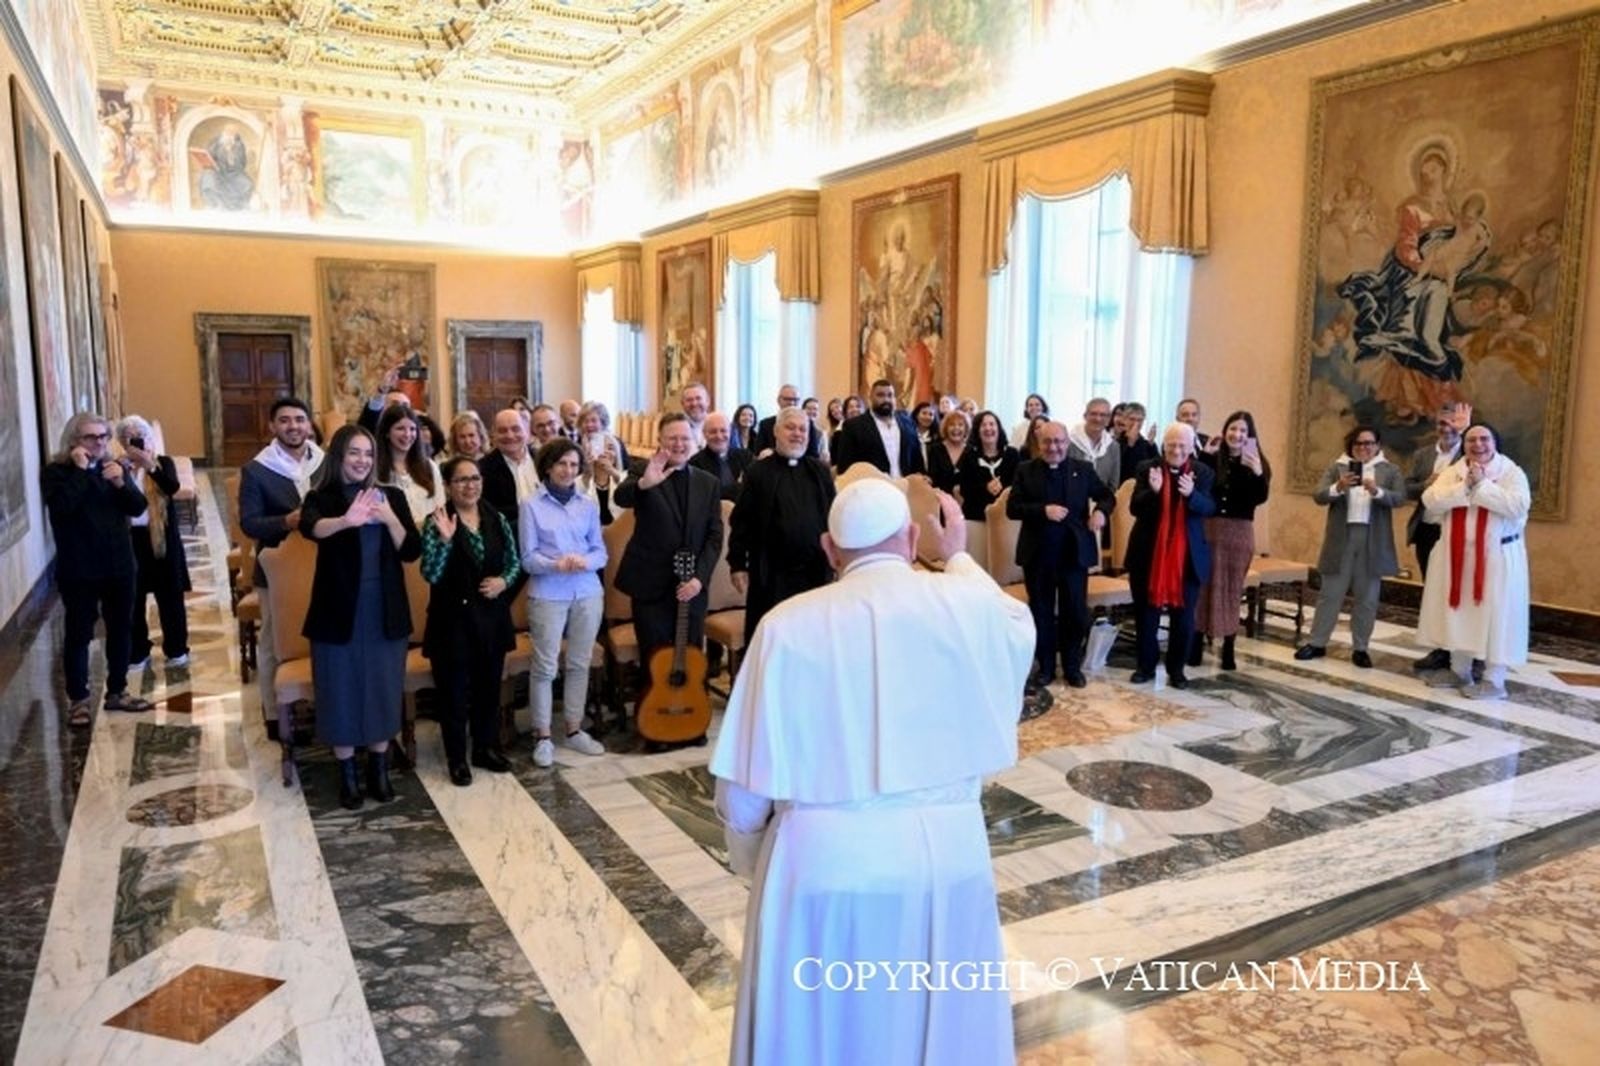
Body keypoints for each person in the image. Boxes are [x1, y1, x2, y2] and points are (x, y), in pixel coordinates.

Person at [710, 480, 1033, 1066]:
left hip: (824, 868)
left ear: (830, 549)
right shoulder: (966, 603)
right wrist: (958, 552)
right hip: (949, 860)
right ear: (911, 539)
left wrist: (756, 862)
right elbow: (1015, 622)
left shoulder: (785, 625)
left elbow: (743, 798)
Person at [299, 425, 422, 809]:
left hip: (384, 610)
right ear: (338, 456)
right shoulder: (322, 496)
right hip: (338, 612)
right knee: (340, 690)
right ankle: (348, 774)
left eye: (368, 454)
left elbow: (411, 551)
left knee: (382, 688)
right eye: (354, 453)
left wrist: (388, 519)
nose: (362, 460)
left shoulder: (393, 496)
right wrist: (346, 522)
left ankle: (379, 770)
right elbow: (310, 528)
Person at [613, 413, 723, 739]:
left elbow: (714, 536)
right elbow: (622, 497)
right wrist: (647, 483)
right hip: (650, 583)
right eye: (672, 438)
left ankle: (691, 721)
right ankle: (657, 723)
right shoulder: (642, 470)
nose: (678, 444)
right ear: (660, 441)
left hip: (692, 585)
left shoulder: (708, 482)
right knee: (655, 655)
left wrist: (699, 579)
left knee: (691, 654)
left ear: (694, 442)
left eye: (684, 439)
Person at [43, 412, 155, 725]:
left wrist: (120, 482)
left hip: (119, 564)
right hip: (79, 568)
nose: (99, 443)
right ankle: (78, 699)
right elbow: (63, 508)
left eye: (104, 437)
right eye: (91, 437)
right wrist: (81, 472)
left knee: (121, 628)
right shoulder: (57, 472)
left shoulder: (114, 467)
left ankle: (117, 691)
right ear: (74, 441)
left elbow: (137, 507)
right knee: (79, 633)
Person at [422, 456, 519, 785]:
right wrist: (447, 543)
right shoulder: (435, 520)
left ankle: (485, 748)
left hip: (491, 619)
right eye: (461, 480)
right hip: (452, 622)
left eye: (475, 478)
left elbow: (514, 562)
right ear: (448, 486)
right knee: (453, 694)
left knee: (488, 689)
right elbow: (431, 574)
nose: (470, 485)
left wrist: (504, 581)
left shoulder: (497, 518)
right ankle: (456, 758)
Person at [1416, 423, 1529, 699]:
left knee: (1496, 617)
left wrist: (1480, 486)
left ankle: (1494, 680)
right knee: (1458, 612)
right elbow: (1431, 501)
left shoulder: (1511, 473)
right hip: (1456, 557)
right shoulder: (1453, 472)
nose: (1478, 445)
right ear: (1464, 445)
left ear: (1495, 442)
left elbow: (1516, 506)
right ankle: (1459, 670)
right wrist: (1464, 486)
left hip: (1497, 559)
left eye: (1484, 439)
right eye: (1471, 440)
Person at [519, 439, 610, 768]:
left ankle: (573, 730)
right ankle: (542, 735)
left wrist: (584, 561)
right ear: (548, 467)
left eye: (574, 465)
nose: (568, 471)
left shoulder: (587, 505)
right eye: (562, 464)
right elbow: (527, 558)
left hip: (586, 590)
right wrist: (555, 564)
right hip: (548, 593)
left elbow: (601, 552)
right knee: (544, 667)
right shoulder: (530, 505)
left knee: (579, 663)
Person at [239, 397, 325, 732]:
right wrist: (286, 521)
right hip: (277, 569)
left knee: (320, 635)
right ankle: (275, 713)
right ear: (273, 427)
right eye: (285, 420)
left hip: (322, 563)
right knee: (276, 640)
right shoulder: (258, 469)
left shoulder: (324, 461)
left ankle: (318, 699)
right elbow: (250, 523)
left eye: (300, 420)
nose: (294, 427)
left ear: (308, 425)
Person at [1009, 421, 1114, 689]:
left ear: (1067, 443)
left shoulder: (1083, 470)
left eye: (1058, 442)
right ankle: (1045, 668)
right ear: (1039, 443)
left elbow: (1106, 495)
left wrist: (1101, 511)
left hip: (1073, 554)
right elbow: (1013, 508)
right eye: (1047, 442)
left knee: (1075, 613)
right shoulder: (1025, 470)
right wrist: (1043, 510)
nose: (1053, 447)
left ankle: (1071, 667)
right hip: (1038, 554)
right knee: (1041, 612)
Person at [1296, 425, 1407, 667]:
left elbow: (1400, 498)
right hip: (1341, 538)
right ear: (1351, 446)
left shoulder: (1390, 470)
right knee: (1330, 594)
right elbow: (1319, 495)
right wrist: (1339, 486)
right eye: (1358, 443)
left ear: (1377, 445)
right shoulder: (1338, 467)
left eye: (1369, 443)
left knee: (1367, 598)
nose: (1363, 448)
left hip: (1372, 539)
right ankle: (1317, 642)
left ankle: (1360, 648)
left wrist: (1377, 491)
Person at [728, 408, 836, 645]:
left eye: (803, 429)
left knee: (812, 640)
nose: (797, 434)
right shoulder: (758, 472)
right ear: (776, 431)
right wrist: (737, 563)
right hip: (771, 576)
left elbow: (833, 517)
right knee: (773, 642)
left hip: (814, 573)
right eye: (790, 427)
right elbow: (741, 521)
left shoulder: (819, 472)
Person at [1126, 423, 1217, 688]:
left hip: (1187, 558)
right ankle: (1145, 667)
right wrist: (1154, 493)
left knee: (1184, 619)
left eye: (1181, 446)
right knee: (1147, 615)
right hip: (1149, 554)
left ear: (1191, 448)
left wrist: (1192, 495)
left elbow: (1209, 507)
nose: (1176, 450)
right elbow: (1135, 508)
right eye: (1171, 445)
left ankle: (1177, 670)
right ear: (1164, 445)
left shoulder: (1203, 473)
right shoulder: (1147, 468)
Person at [1192, 411, 1270, 671]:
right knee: (1203, 587)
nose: (1237, 435)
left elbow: (1259, 499)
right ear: (1225, 432)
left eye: (1243, 432)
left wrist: (1258, 472)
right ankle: (1196, 643)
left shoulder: (1257, 462)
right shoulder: (1214, 460)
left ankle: (1228, 647)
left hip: (1239, 534)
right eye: (1232, 429)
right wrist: (1204, 455)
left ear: (1250, 436)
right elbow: (1197, 486)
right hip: (1209, 530)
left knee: (1230, 590)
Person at [115, 416, 190, 672]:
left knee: (170, 598)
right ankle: (138, 650)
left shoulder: (162, 463)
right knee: (133, 599)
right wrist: (121, 472)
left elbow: (171, 487)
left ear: (149, 439)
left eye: (141, 434)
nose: (135, 439)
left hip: (161, 541)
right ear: (122, 442)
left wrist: (149, 467)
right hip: (130, 541)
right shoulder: (117, 467)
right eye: (129, 436)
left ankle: (177, 649)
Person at [1406, 402, 1466, 671]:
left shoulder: (1468, 453)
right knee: (1433, 591)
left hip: (1457, 533)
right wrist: (1424, 485)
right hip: (1427, 531)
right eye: (1442, 423)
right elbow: (1408, 489)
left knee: (1457, 592)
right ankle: (1440, 649)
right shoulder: (1422, 455)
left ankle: (1462, 650)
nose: (1447, 428)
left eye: (1453, 423)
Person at [958, 411, 1019, 566]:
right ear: (977, 430)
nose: (988, 428)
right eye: (983, 425)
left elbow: (1019, 485)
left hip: (1005, 521)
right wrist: (985, 487)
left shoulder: (1012, 455)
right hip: (976, 518)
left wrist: (1003, 487)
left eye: (992, 424)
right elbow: (964, 488)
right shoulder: (968, 456)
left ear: (998, 428)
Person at [831, 379, 925, 477]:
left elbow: (917, 460)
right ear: (870, 397)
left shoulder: (908, 423)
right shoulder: (853, 426)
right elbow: (845, 468)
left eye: (890, 395)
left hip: (904, 488)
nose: (886, 400)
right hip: (871, 488)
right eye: (880, 395)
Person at [375, 404, 444, 525]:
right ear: (386, 432)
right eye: (400, 428)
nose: (407, 434)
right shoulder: (375, 468)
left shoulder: (429, 466)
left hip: (427, 537)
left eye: (412, 429)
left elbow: (440, 505)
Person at [689, 411, 753, 501]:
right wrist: (738, 487)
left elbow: (754, 489)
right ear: (704, 434)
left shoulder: (746, 457)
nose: (719, 436)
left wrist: (721, 490)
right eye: (713, 432)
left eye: (723, 430)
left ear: (730, 432)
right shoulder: (695, 464)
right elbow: (704, 496)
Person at [1067, 397, 1121, 491]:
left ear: (1109, 419)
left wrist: (1104, 504)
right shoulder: (1069, 443)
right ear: (1085, 416)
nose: (1098, 419)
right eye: (1093, 414)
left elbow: (1113, 484)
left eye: (1103, 415)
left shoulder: (1113, 447)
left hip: (1102, 503)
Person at [753, 384, 822, 458]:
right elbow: (758, 452)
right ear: (779, 400)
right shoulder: (765, 424)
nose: (791, 403)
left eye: (795, 400)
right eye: (787, 399)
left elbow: (813, 454)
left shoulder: (808, 423)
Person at [925, 410, 970, 494]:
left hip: (966, 504)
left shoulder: (972, 451)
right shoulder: (935, 449)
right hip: (940, 501)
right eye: (952, 425)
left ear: (966, 428)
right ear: (946, 428)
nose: (956, 428)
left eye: (960, 425)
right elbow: (932, 478)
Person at [1116, 401, 1158, 483]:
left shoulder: (1146, 444)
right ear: (1124, 420)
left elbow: (1157, 464)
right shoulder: (1116, 443)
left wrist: (1151, 444)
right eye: (1132, 419)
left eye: (1140, 420)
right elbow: (1118, 468)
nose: (1136, 423)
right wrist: (1130, 444)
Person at [680, 382, 711, 449]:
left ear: (707, 401)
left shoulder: (718, 424)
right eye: (689, 400)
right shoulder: (675, 426)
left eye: (698, 398)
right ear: (682, 404)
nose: (694, 403)